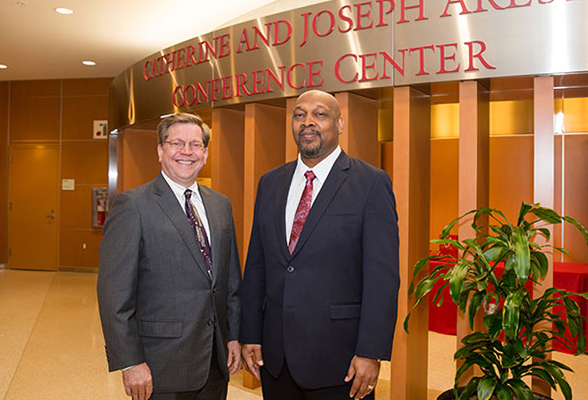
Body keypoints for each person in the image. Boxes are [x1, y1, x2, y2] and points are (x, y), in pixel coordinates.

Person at [240, 89, 399, 400]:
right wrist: (250, 332)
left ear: (339, 124)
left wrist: (371, 352)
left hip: (340, 360)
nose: (307, 122)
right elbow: (257, 263)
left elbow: (382, 278)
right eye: (299, 115)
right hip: (276, 358)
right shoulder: (270, 182)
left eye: (320, 114)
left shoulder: (370, 183)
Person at [97, 113, 242, 400]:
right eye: (177, 143)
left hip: (215, 360)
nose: (186, 151)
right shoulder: (133, 205)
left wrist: (233, 336)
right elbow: (114, 294)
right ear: (160, 151)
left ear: (205, 153)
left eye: (195, 144)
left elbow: (231, 280)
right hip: (160, 365)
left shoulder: (220, 205)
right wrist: (130, 361)